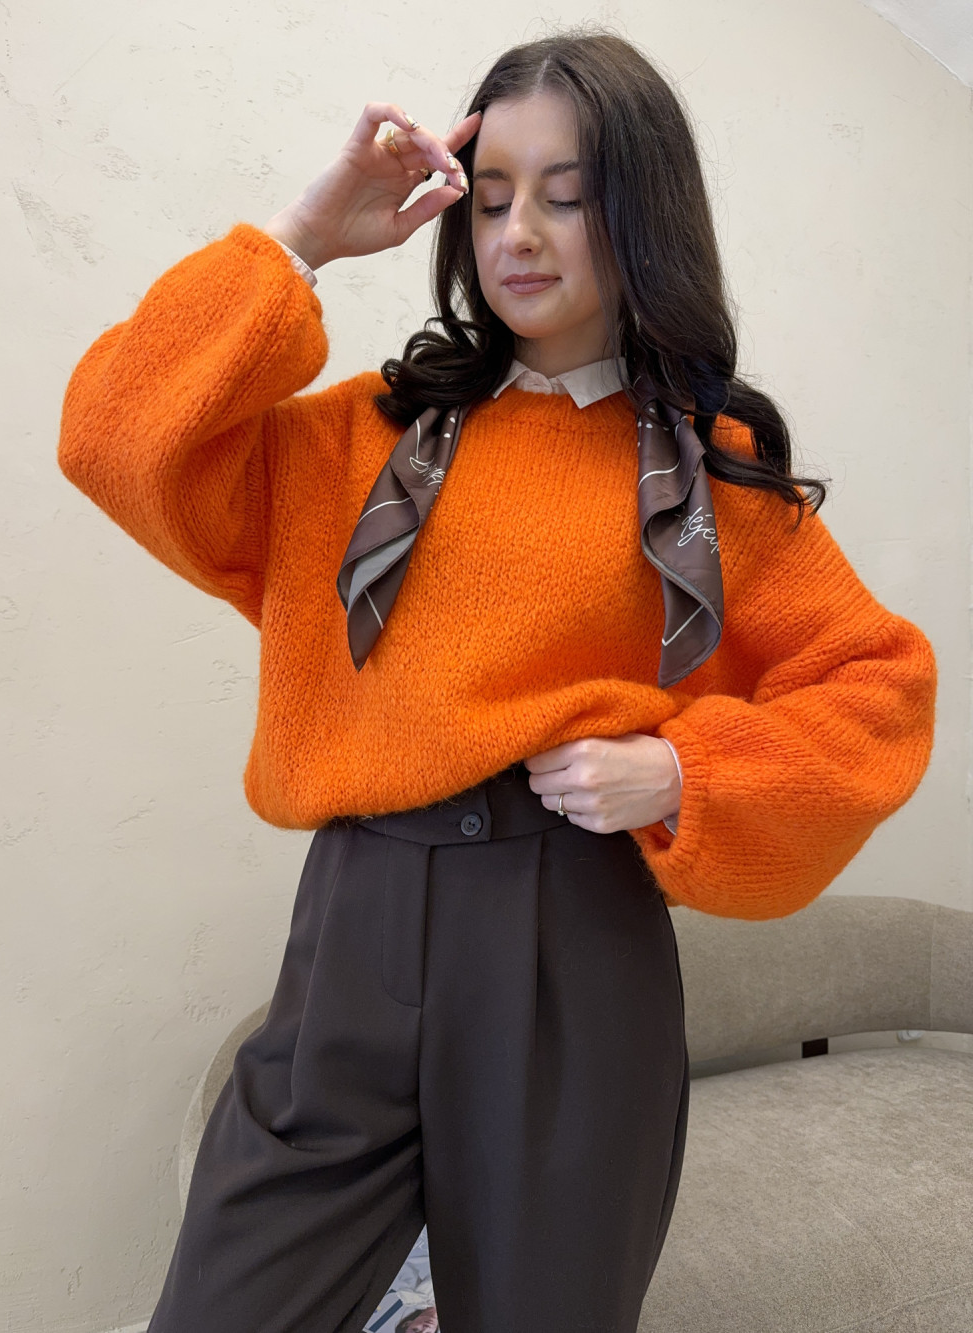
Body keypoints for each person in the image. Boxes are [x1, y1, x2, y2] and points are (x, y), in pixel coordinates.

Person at [57, 28, 937, 1333]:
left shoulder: (708, 477)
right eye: (492, 196)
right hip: (354, 925)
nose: (518, 232)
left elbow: (879, 685)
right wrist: (300, 239)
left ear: (641, 217)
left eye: (567, 197)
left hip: (572, 938)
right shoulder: (367, 439)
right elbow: (114, 436)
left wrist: (685, 771)